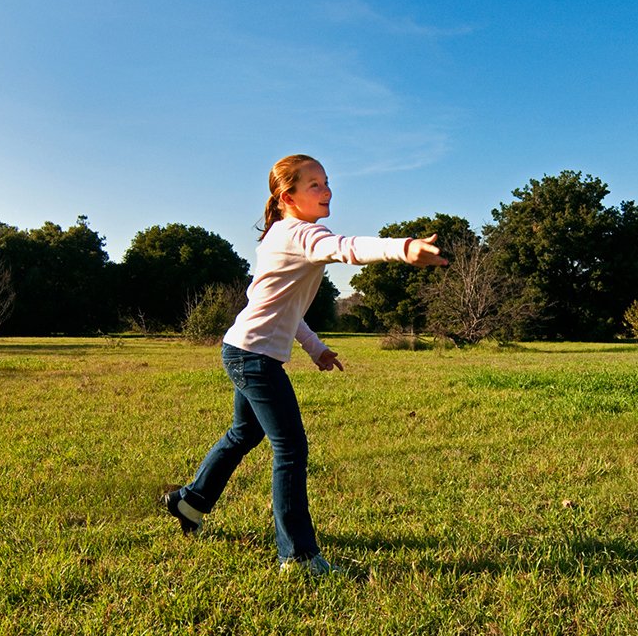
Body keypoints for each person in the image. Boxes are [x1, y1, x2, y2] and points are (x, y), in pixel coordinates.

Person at [162, 154, 447, 574]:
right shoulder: (299, 234)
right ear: (287, 196)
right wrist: (402, 248)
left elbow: (287, 310)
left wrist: (317, 349)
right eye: (314, 184)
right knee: (290, 449)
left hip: (245, 351)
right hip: (253, 357)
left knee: (243, 433)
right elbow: (345, 248)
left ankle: (190, 502)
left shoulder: (283, 236)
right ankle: (296, 556)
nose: (327, 190)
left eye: (327, 182)